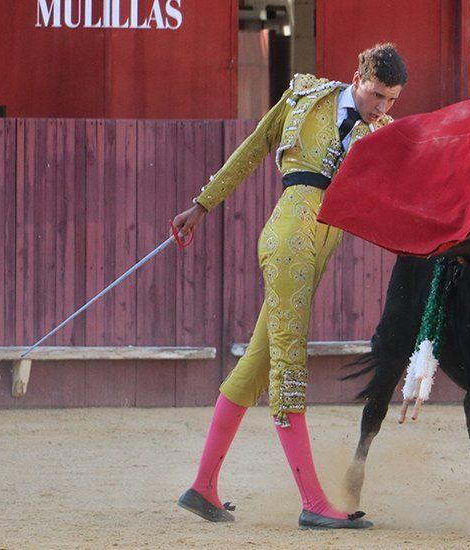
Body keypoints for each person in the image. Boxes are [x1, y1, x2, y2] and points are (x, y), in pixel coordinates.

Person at [171, 44, 407, 530]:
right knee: (288, 362)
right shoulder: (306, 95)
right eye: (377, 95)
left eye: (392, 101)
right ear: (357, 75)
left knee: (256, 367)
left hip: (320, 247)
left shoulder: (384, 134)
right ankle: (313, 501)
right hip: (289, 237)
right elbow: (254, 146)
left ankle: (203, 487)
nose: (382, 108)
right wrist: (201, 205)